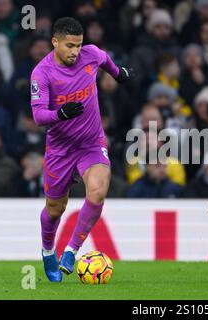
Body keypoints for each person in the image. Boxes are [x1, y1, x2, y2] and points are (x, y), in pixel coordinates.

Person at [30, 17, 134, 282]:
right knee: (55, 209)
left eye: (78, 45)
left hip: (91, 143)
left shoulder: (91, 54)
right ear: (54, 42)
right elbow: (39, 116)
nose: (75, 51)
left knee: (98, 193)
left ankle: (71, 251)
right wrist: (61, 113)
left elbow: (106, 60)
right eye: (69, 46)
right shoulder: (41, 73)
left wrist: (119, 73)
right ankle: (47, 250)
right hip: (60, 149)